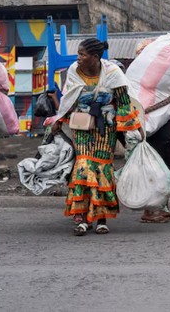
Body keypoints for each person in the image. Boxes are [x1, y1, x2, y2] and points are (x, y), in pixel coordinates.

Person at [51, 39, 143, 235]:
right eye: (78, 53)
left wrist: (134, 129)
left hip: (105, 127)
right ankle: (83, 219)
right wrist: (59, 119)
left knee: (102, 170)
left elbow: (124, 102)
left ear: (95, 57)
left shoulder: (113, 73)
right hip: (82, 126)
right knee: (83, 166)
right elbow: (70, 99)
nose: (78, 57)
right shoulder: (74, 70)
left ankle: (101, 219)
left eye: (82, 54)